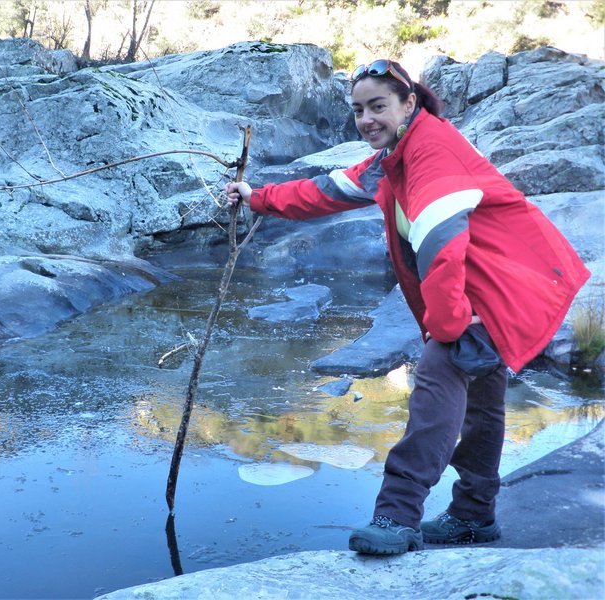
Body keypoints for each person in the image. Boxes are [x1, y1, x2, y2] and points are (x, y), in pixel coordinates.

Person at [224, 59, 590, 555]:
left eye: (378, 106)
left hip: (505, 286)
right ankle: (474, 515)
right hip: (487, 283)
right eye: (358, 110)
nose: (367, 119)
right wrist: (257, 197)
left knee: (438, 381)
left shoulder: (431, 151)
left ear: (408, 102)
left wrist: (448, 325)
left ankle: (396, 517)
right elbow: (330, 189)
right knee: (482, 402)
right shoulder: (395, 153)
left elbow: (441, 243)